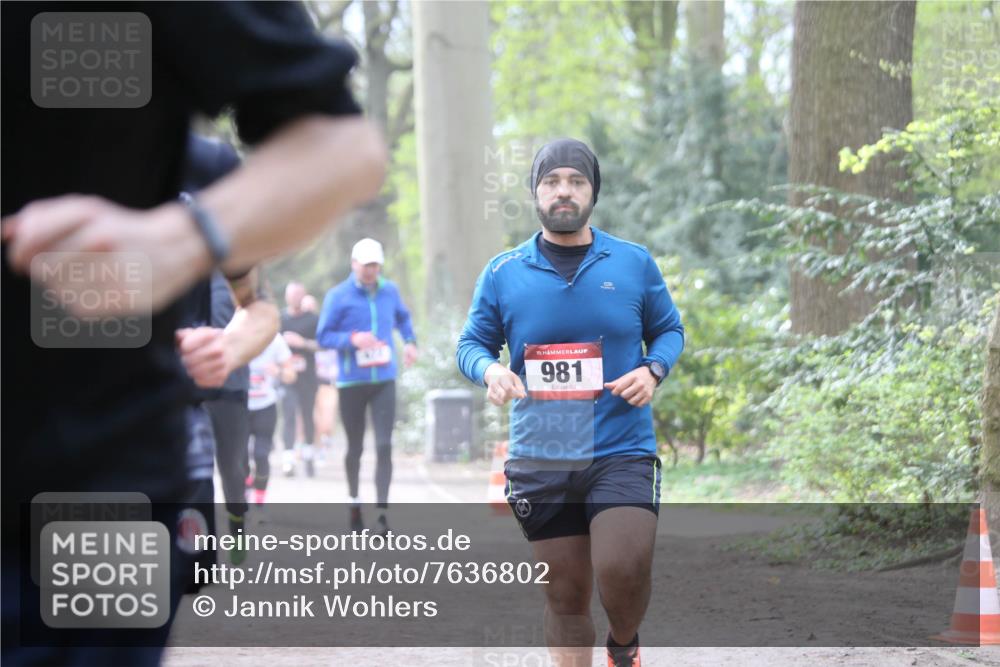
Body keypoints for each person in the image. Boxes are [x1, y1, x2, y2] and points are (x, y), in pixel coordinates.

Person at [1, 3, 385, 664]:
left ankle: (233, 541)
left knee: (239, 468)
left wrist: (189, 251)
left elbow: (339, 149)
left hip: (91, 483)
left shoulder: (197, 167)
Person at [456, 139, 684, 667]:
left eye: (576, 181)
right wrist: (489, 369)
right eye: (552, 181)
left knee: (623, 568)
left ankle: (623, 646)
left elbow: (668, 329)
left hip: (620, 444)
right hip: (543, 451)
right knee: (564, 596)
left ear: (592, 192)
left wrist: (653, 369)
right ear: (535, 193)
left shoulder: (632, 262)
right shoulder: (502, 271)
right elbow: (471, 344)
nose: (564, 191)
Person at [317, 238, 418, 535]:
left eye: (375, 265)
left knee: (385, 445)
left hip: (384, 378)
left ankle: (383, 514)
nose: (371, 270)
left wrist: (410, 342)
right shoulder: (338, 296)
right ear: (354, 264)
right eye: (366, 265)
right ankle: (354, 502)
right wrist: (352, 340)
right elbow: (324, 337)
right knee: (356, 447)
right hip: (351, 382)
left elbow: (402, 317)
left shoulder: (390, 290)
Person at [247, 333, 297, 506]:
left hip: (265, 405)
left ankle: (259, 502)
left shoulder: (275, 340)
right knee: (240, 457)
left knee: (261, 454)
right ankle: (243, 493)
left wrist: (279, 372)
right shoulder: (233, 332)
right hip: (239, 406)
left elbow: (291, 375)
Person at [279, 281, 321, 477]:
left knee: (307, 415)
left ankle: (309, 455)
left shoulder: (313, 319)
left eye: (299, 294)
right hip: (286, 377)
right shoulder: (279, 319)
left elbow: (323, 345)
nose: (295, 298)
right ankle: (288, 459)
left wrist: (302, 343)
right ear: (287, 297)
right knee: (288, 414)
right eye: (292, 294)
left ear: (304, 296)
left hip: (308, 377)